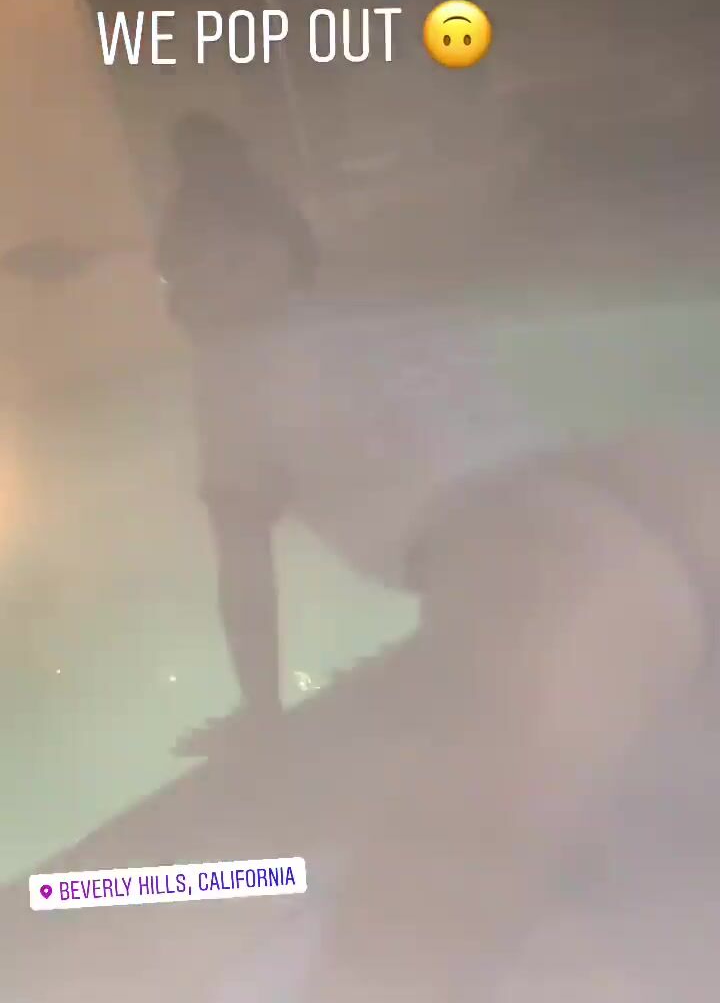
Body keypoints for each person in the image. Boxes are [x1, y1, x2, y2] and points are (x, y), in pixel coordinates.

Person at [157, 110, 715, 996]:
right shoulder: (367, 314)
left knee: (437, 898)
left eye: (210, 262)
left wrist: (261, 714)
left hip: (535, 551)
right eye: (188, 270)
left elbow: (245, 567)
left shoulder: (233, 373)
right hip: (637, 479)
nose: (201, 285)